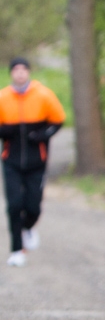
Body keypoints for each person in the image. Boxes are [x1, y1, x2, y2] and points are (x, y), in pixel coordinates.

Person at [0, 58, 66, 267]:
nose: (20, 73)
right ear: (11, 73)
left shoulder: (43, 95)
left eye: (23, 69)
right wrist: (5, 132)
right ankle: (16, 250)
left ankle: (28, 227)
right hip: (11, 160)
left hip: (37, 161)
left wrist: (42, 135)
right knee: (14, 205)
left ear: (28, 72)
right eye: (16, 69)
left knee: (33, 206)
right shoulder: (3, 98)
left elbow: (58, 120)